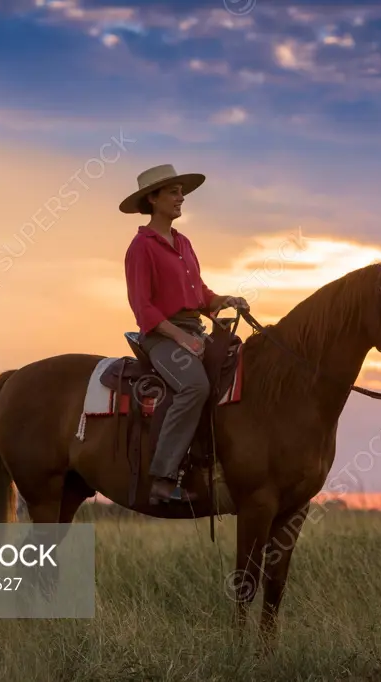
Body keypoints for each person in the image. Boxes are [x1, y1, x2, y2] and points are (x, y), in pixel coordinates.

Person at [119, 164, 248, 504]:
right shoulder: (140, 247)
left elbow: (200, 293)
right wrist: (181, 338)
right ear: (153, 198)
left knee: (237, 370)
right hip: (161, 336)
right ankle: (162, 477)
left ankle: (214, 465)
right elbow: (142, 306)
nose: (181, 198)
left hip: (194, 328)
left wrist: (224, 300)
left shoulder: (184, 243)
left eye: (181, 193)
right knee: (195, 385)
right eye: (173, 192)